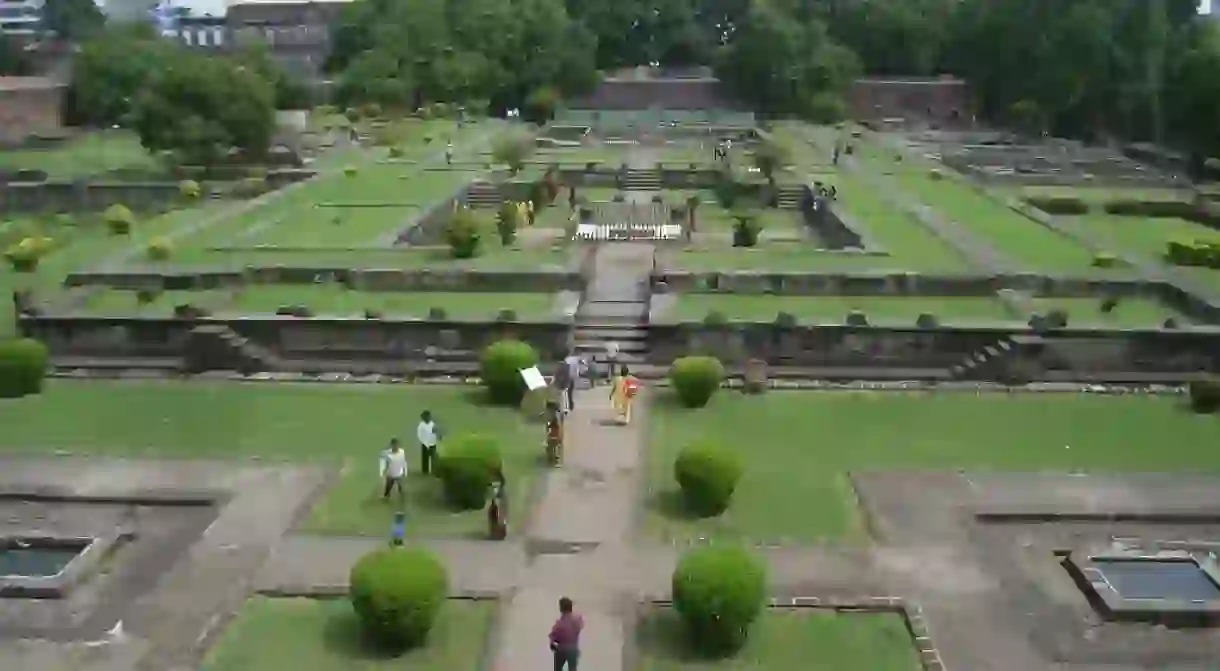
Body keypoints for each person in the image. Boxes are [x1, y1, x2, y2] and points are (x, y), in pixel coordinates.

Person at [549, 597, 584, 671]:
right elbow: (580, 626)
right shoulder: (577, 619)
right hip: (573, 649)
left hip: (561, 649)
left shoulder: (559, 623)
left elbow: (554, 636)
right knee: (572, 668)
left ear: (561, 609)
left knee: (557, 668)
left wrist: (552, 643)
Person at [380, 438, 408, 505]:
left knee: (401, 489)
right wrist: (383, 471)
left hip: (399, 474)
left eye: (396, 445)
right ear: (391, 445)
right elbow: (383, 461)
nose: (395, 447)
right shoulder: (387, 454)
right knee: (388, 488)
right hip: (391, 475)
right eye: (394, 445)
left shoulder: (402, 452)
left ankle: (403, 500)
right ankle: (386, 497)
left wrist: (405, 471)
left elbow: (403, 462)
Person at [417, 410, 440, 476]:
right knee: (425, 459)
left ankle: (434, 471)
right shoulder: (421, 425)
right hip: (424, 444)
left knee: (434, 458)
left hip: (432, 444)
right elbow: (419, 435)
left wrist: (438, 439)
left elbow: (436, 433)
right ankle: (425, 472)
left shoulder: (432, 424)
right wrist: (425, 443)